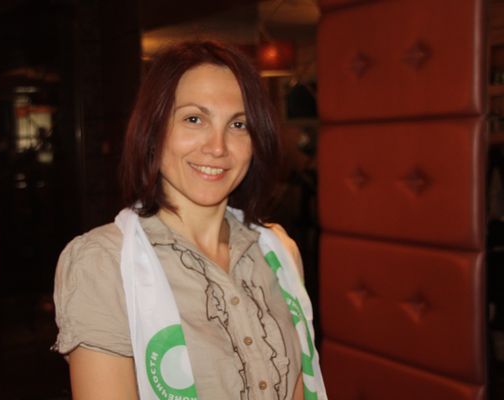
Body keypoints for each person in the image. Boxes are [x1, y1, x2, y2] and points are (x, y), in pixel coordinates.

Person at [52, 41, 326, 400]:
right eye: (194, 119)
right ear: (154, 131)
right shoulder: (102, 262)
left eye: (238, 124)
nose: (218, 147)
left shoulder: (278, 254)